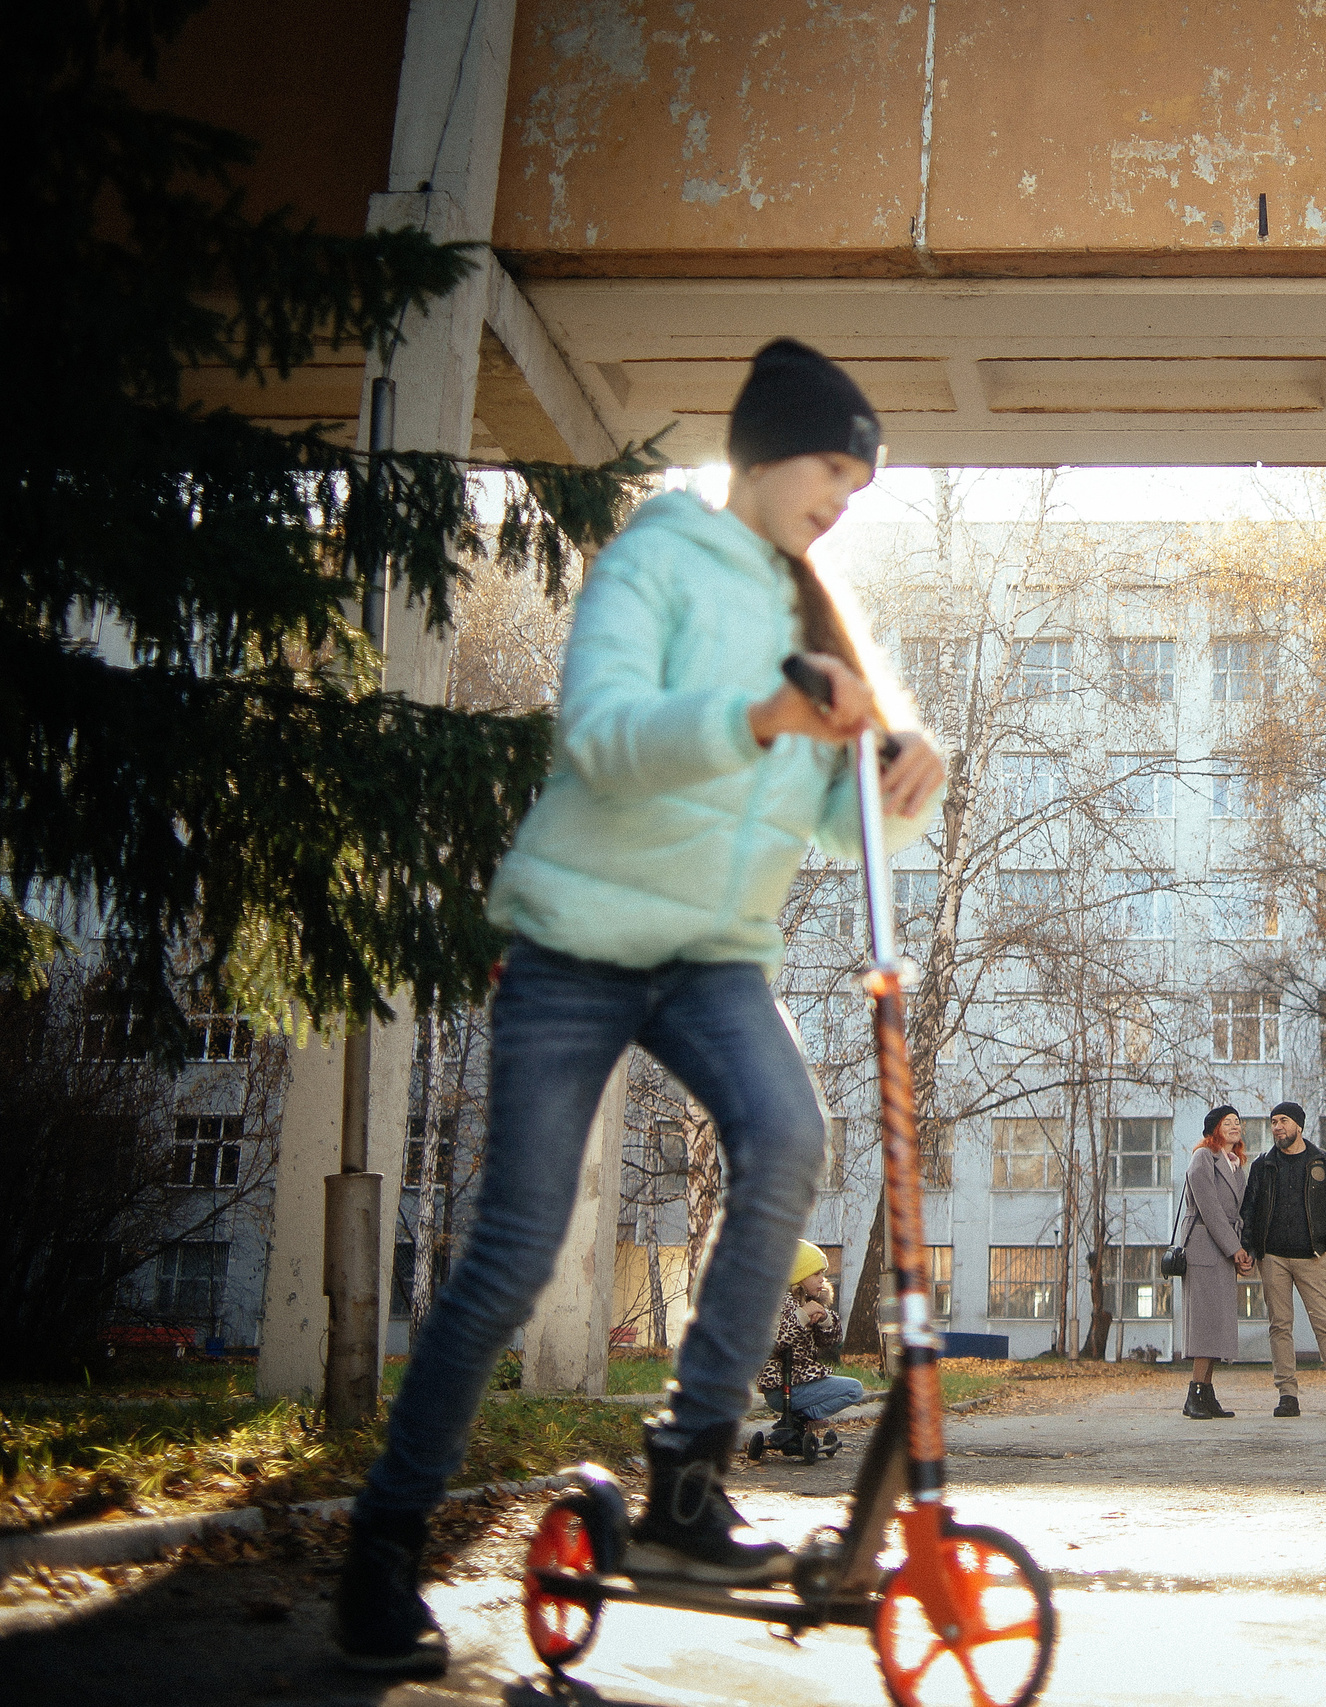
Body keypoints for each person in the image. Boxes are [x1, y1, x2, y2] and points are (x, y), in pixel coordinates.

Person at [334, 339, 947, 1675]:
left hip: (716, 956)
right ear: (761, 453)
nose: (841, 497)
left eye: (857, 480)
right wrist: (761, 715)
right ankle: (383, 1540)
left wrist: (905, 778)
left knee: (787, 1134)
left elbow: (842, 832)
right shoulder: (660, 559)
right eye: (829, 467)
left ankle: (685, 1467)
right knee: (513, 1253)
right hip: (574, 943)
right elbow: (602, 736)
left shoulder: (823, 616)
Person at [1238, 1102, 1326, 1417]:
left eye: (1283, 1121)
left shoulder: (1323, 1162)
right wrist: (1250, 1249)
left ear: (1298, 1126)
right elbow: (1249, 1209)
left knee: (1325, 1325)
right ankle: (1287, 1397)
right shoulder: (1263, 1164)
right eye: (1273, 1122)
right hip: (1273, 1258)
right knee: (1280, 1326)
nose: (1277, 1127)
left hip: (1313, 1257)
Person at [1176, 1106, 1251, 1420]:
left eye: (1237, 1122)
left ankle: (1205, 1393)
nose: (1234, 1127)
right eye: (1227, 1122)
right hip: (1205, 1249)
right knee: (1205, 1323)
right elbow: (1209, 1209)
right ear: (1214, 1129)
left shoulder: (1236, 1166)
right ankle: (1195, 1392)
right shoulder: (1204, 1157)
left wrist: (1243, 1250)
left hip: (1221, 1250)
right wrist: (1235, 1249)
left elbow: (1239, 1214)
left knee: (1217, 1323)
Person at [758, 1241, 867, 1432]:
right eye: (816, 1274)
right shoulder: (778, 1304)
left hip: (801, 1382)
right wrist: (801, 1316)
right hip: (781, 1386)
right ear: (799, 1276)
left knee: (853, 1388)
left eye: (823, 1274)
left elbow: (832, 1341)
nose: (822, 1280)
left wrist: (825, 1319)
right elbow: (772, 1343)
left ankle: (797, 1420)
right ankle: (804, 1418)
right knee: (854, 1390)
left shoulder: (811, 1302)